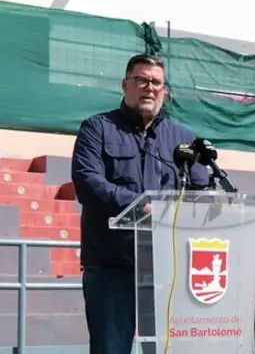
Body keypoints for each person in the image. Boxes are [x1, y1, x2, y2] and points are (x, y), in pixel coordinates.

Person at [71, 54, 209, 354]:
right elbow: (88, 183)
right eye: (142, 80)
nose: (150, 88)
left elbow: (201, 186)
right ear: (125, 84)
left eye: (157, 82)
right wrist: (141, 206)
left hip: (166, 266)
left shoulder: (182, 138)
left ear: (165, 91)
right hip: (112, 263)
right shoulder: (97, 128)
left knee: (165, 348)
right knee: (111, 348)